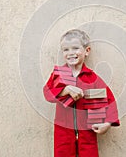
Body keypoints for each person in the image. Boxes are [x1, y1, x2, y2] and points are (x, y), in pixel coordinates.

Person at [43, 29, 120, 157]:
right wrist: (65, 90)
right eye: (66, 50)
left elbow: (110, 100)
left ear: (87, 51)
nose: (70, 53)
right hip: (63, 132)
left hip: (87, 132)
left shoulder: (92, 78)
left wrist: (107, 123)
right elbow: (47, 93)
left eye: (75, 48)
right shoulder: (59, 75)